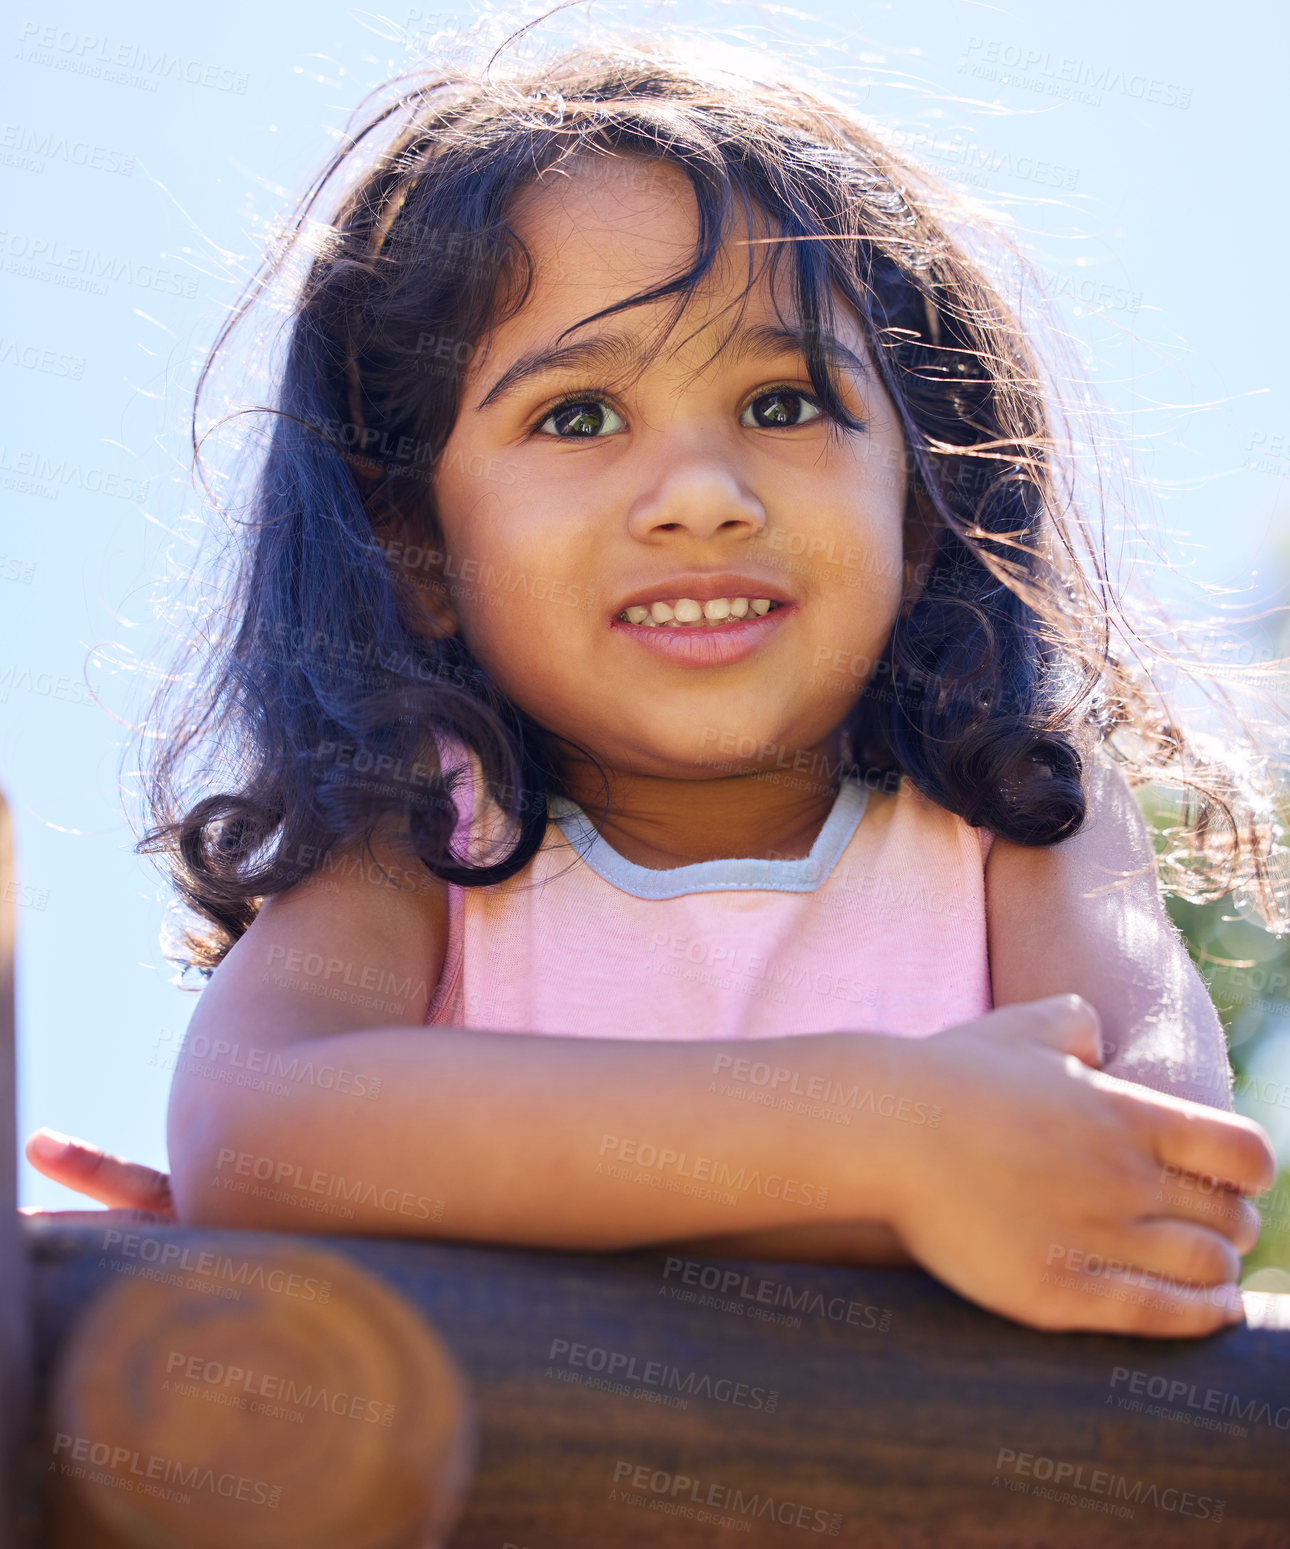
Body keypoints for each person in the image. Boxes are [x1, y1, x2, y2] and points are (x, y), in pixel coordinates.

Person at [25, 28, 1286, 1337]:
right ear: (418, 549)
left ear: (916, 513)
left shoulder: (1015, 822)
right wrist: (887, 1142)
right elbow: (261, 1127)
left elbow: (1157, 1178)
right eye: (575, 416)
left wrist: (428, 1195)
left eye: (785, 403)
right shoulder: (421, 835)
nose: (699, 495)